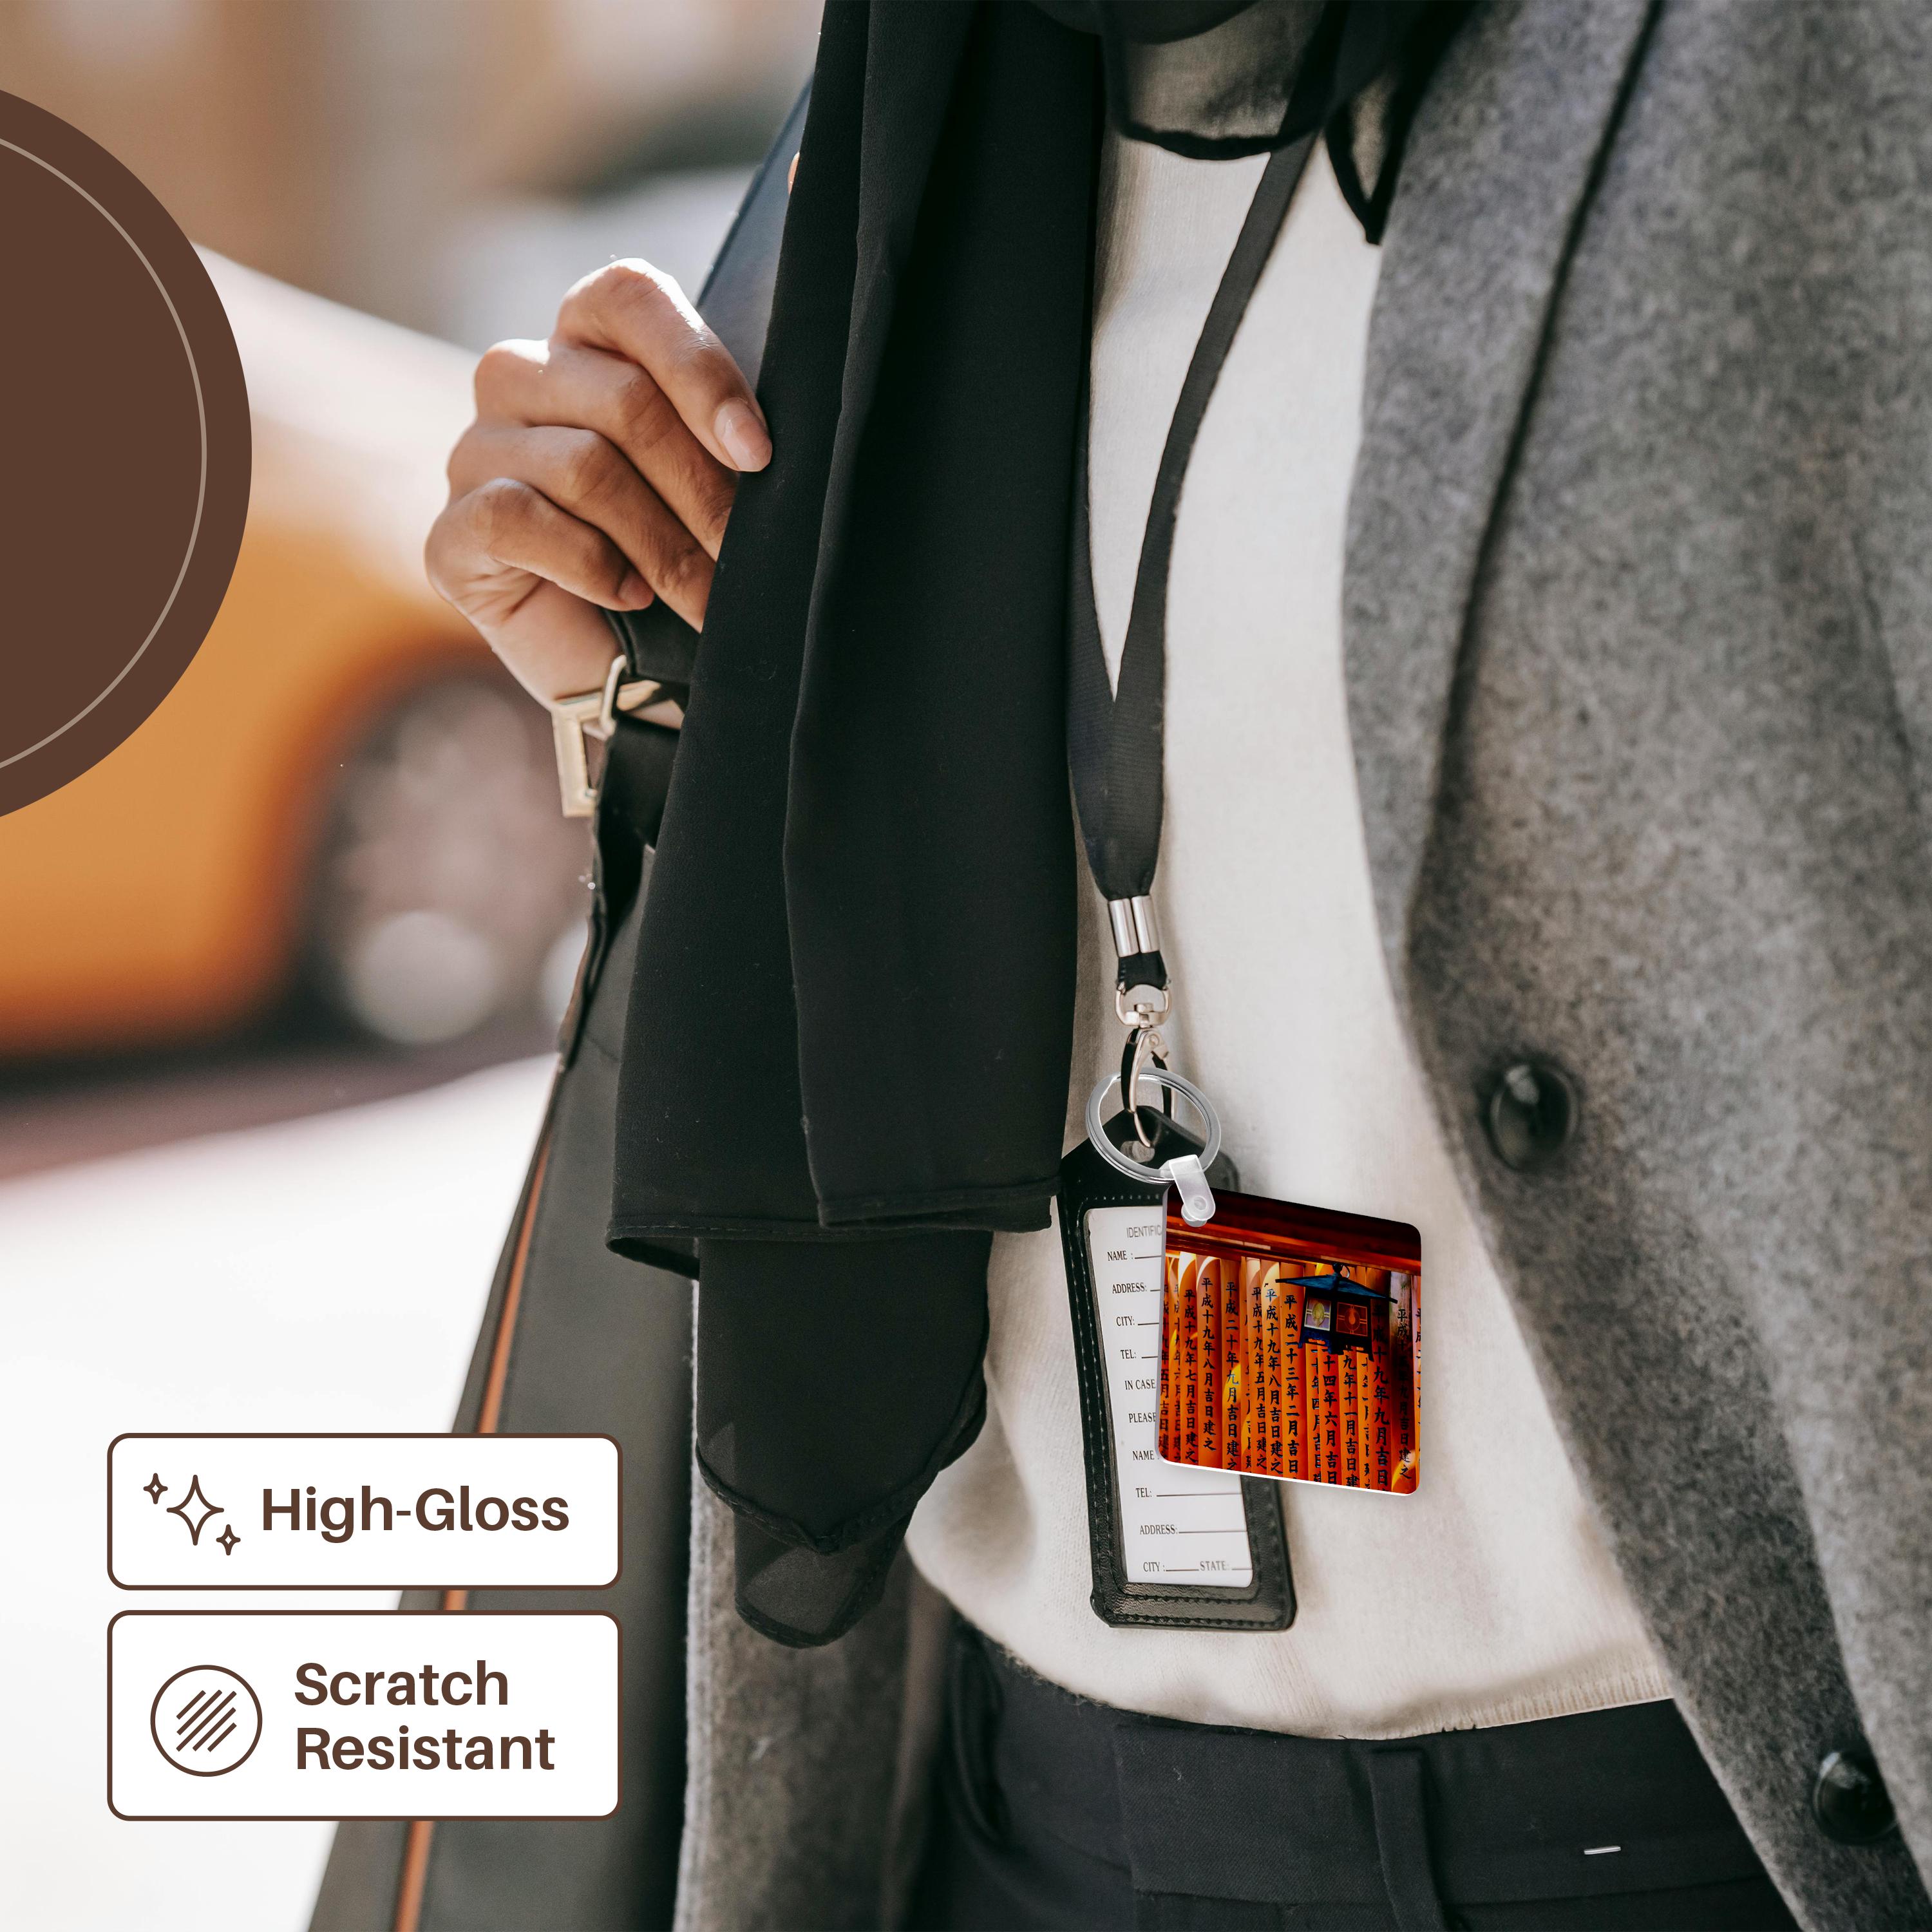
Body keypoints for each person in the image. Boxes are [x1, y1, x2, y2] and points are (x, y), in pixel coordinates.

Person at [403, 3, 1932, 1929]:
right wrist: (639, 692)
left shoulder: (1783, 73)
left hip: (1688, 1838)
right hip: (1022, 1834)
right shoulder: (902, 133)